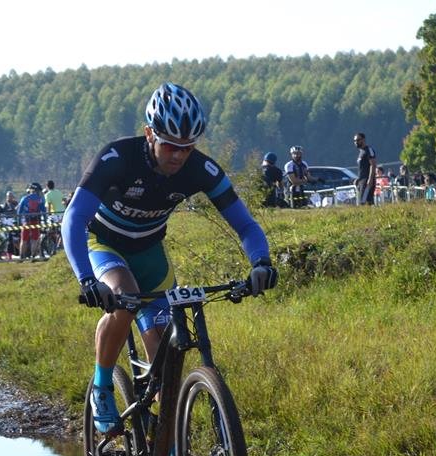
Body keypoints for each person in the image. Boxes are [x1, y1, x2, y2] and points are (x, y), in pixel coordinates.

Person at [61, 82, 276, 432]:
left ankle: (169, 450)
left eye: (187, 148)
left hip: (150, 253)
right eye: (170, 146)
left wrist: (261, 263)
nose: (178, 156)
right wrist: (86, 279)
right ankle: (101, 387)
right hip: (105, 245)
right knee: (125, 298)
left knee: (165, 354)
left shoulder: (200, 170)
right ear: (149, 134)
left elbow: (246, 225)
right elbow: (74, 217)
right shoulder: (118, 158)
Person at [17, 182, 46, 261]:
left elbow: (19, 211)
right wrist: (46, 222)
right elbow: (44, 211)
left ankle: (21, 257)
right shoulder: (40, 199)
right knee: (34, 239)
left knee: (24, 240)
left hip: (25, 221)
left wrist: (18, 221)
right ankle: (32, 257)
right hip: (35, 221)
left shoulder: (24, 198)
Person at [352, 133, 378, 205]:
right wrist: (358, 179)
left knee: (363, 203)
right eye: (354, 141)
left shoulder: (368, 150)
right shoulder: (361, 152)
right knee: (368, 203)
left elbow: (373, 164)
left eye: (358, 140)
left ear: (363, 140)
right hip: (361, 181)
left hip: (367, 181)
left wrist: (370, 179)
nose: (356, 142)